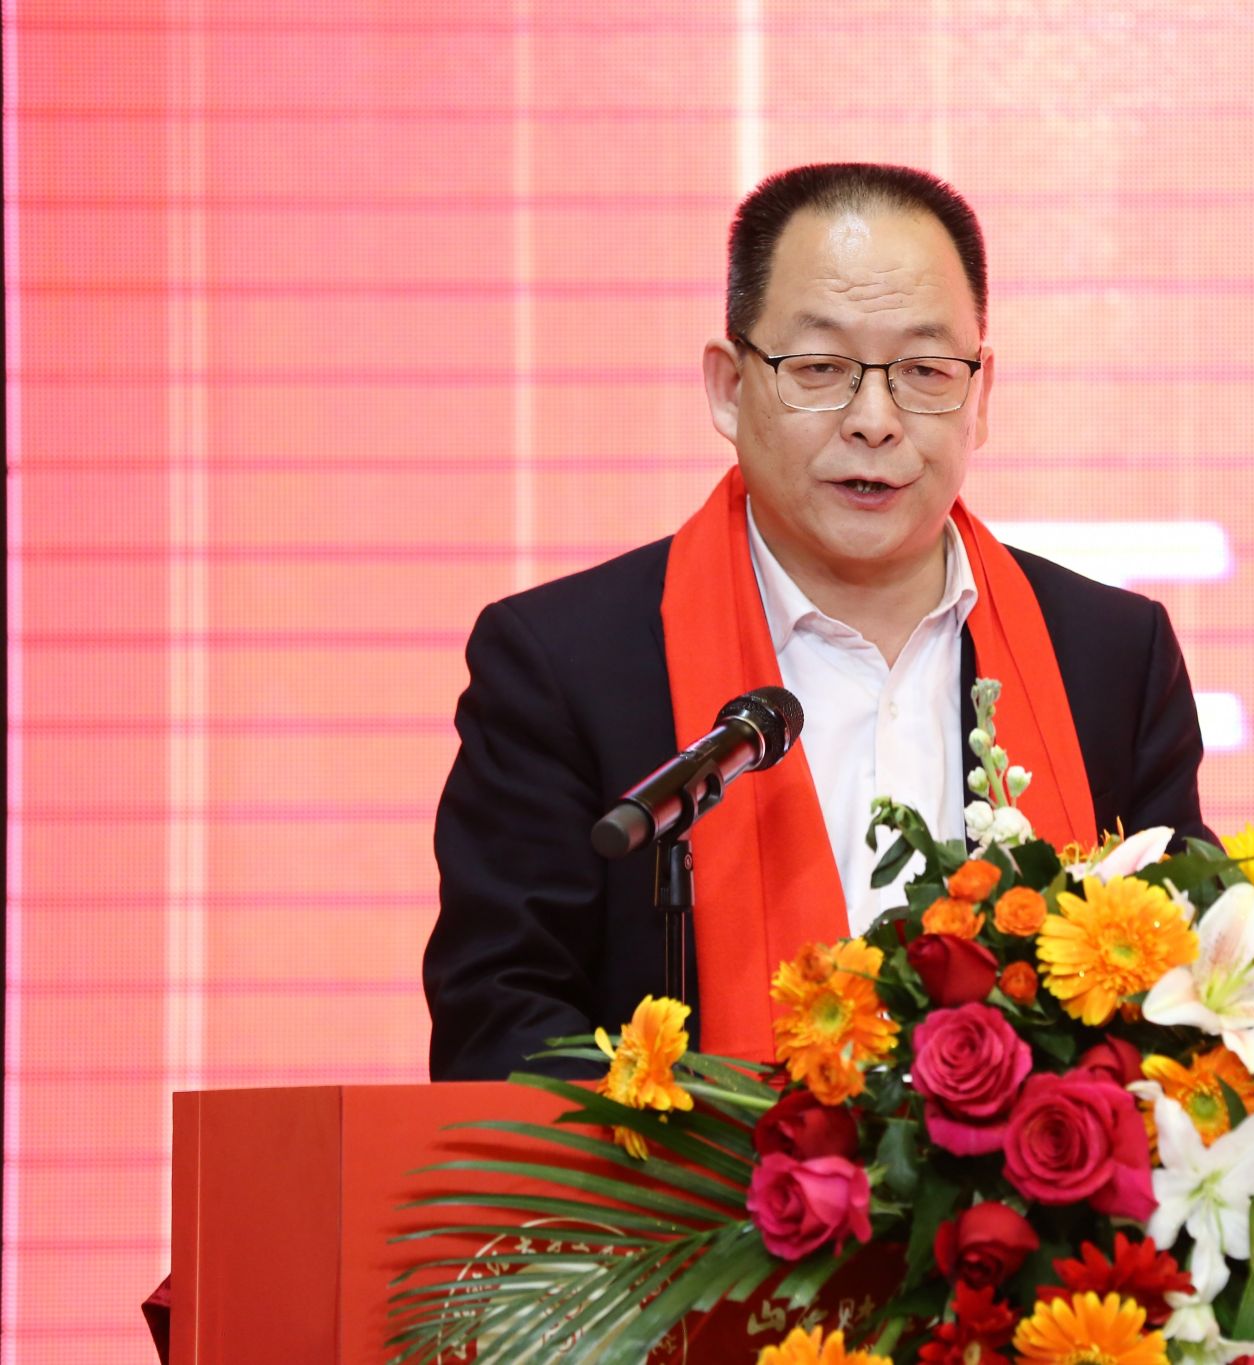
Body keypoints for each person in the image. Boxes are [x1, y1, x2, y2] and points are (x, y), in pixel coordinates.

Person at [425, 163, 1209, 1080]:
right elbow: (498, 1026)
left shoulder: (1111, 657)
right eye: (821, 370)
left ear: (981, 395)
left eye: (924, 371)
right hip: (688, 1179)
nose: (874, 420)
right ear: (728, 387)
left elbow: (1181, 1002)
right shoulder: (562, 664)